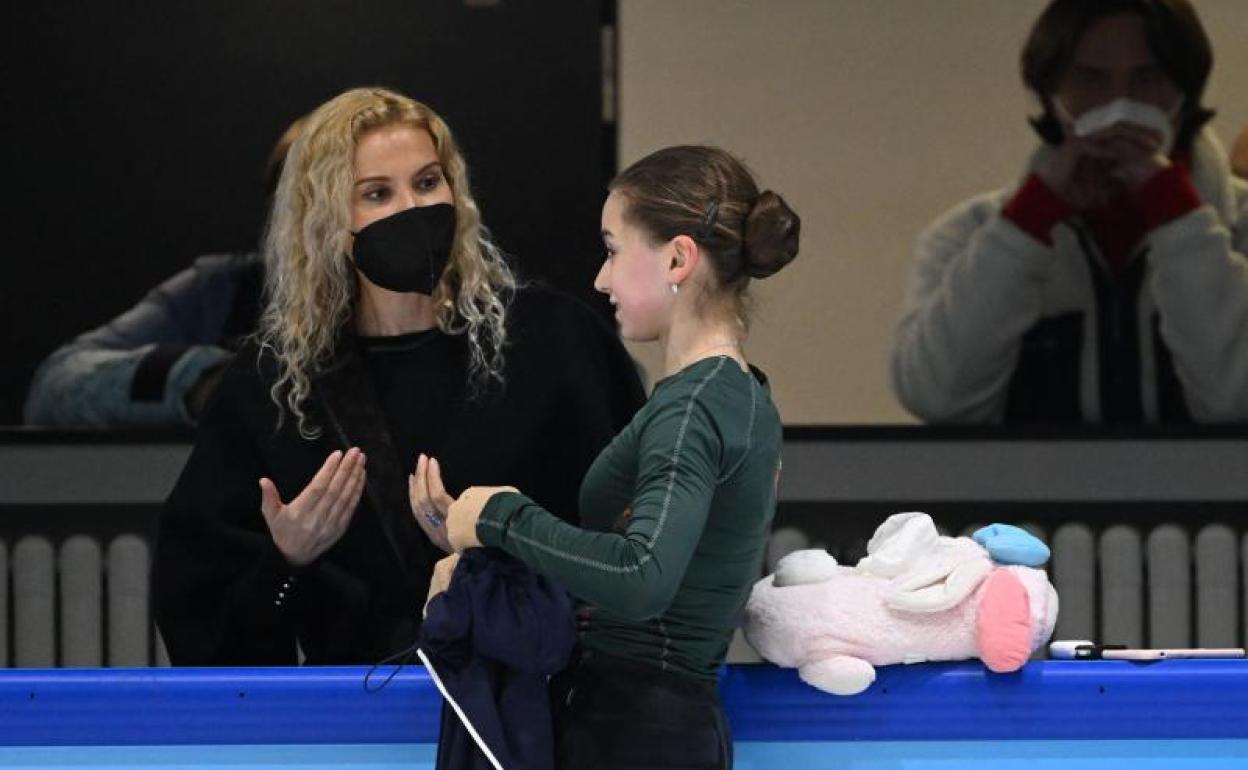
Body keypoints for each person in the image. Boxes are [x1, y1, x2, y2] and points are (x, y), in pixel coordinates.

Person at [153, 87, 644, 665]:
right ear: (330, 222)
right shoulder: (275, 386)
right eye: (377, 194)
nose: (411, 208)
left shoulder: (556, 341)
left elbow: (636, 541)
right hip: (361, 711)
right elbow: (205, 620)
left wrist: (500, 548)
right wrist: (287, 560)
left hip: (541, 700)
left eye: (428, 182)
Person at [414, 145, 800, 770]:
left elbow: (642, 576)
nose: (600, 278)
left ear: (678, 258)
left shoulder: (694, 406)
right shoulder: (731, 394)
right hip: (652, 724)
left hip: (634, 731)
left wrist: (500, 517)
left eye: (614, 249)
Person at [890, 0, 1248, 424]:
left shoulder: (1241, 227)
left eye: (1147, 78)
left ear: (1186, 90)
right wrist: (1028, 221)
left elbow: (1236, 400)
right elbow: (937, 398)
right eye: (1090, 79)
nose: (1120, 103)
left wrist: (1174, 210)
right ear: (1051, 96)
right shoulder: (966, 235)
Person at [21, 118, 305, 428]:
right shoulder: (225, 291)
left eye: (366, 195)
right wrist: (207, 381)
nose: (322, 222)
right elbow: (56, 386)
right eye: (302, 197)